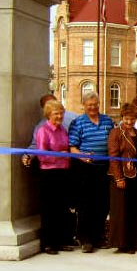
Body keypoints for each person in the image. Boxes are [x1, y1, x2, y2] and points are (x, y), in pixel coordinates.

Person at [23, 100, 74, 254]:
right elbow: (42, 156)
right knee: (49, 209)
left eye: (61, 113)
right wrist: (60, 156)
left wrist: (66, 157)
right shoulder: (43, 131)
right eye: (56, 113)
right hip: (48, 173)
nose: (59, 116)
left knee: (62, 208)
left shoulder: (63, 130)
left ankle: (61, 241)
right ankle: (49, 243)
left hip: (63, 172)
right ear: (48, 115)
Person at [68, 92, 115, 253]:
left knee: (102, 204)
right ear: (84, 106)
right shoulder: (78, 123)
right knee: (86, 204)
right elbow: (72, 147)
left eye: (95, 104)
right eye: (89, 105)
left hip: (104, 167)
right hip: (86, 169)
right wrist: (82, 156)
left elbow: (113, 141)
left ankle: (99, 237)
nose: (93, 107)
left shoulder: (108, 121)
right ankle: (85, 239)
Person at [107, 103, 137, 254]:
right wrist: (118, 178)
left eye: (132, 119)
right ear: (122, 118)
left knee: (133, 210)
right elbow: (113, 156)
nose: (129, 122)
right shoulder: (116, 133)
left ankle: (132, 242)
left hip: (135, 176)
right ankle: (121, 243)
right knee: (120, 211)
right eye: (127, 119)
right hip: (121, 176)